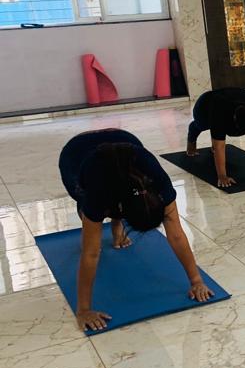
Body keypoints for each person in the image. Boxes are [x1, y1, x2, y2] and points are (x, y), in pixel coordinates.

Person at [58, 129, 213, 331]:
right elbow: (91, 253)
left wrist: (196, 281)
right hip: (77, 153)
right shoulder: (97, 189)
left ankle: (117, 228)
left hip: (124, 140)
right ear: (121, 209)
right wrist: (84, 310)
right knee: (89, 211)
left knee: (111, 205)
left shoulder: (159, 183)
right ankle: (113, 223)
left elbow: (175, 234)